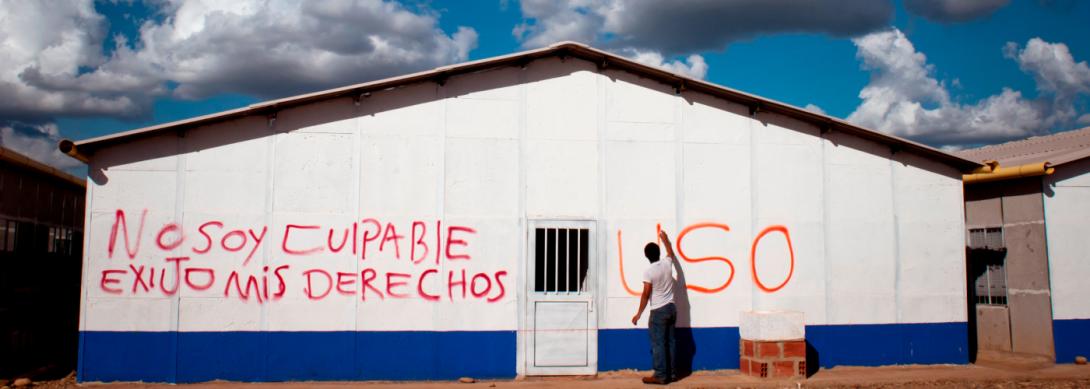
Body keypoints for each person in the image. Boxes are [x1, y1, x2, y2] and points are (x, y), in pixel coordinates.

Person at [631, 230, 677, 385]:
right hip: (671, 308)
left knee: (658, 344)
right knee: (670, 342)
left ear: (646, 256)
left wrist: (638, 314)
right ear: (658, 253)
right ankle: (671, 374)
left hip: (658, 311)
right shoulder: (667, 263)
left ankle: (661, 376)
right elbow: (670, 252)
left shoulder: (649, 272)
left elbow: (645, 294)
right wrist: (666, 240)